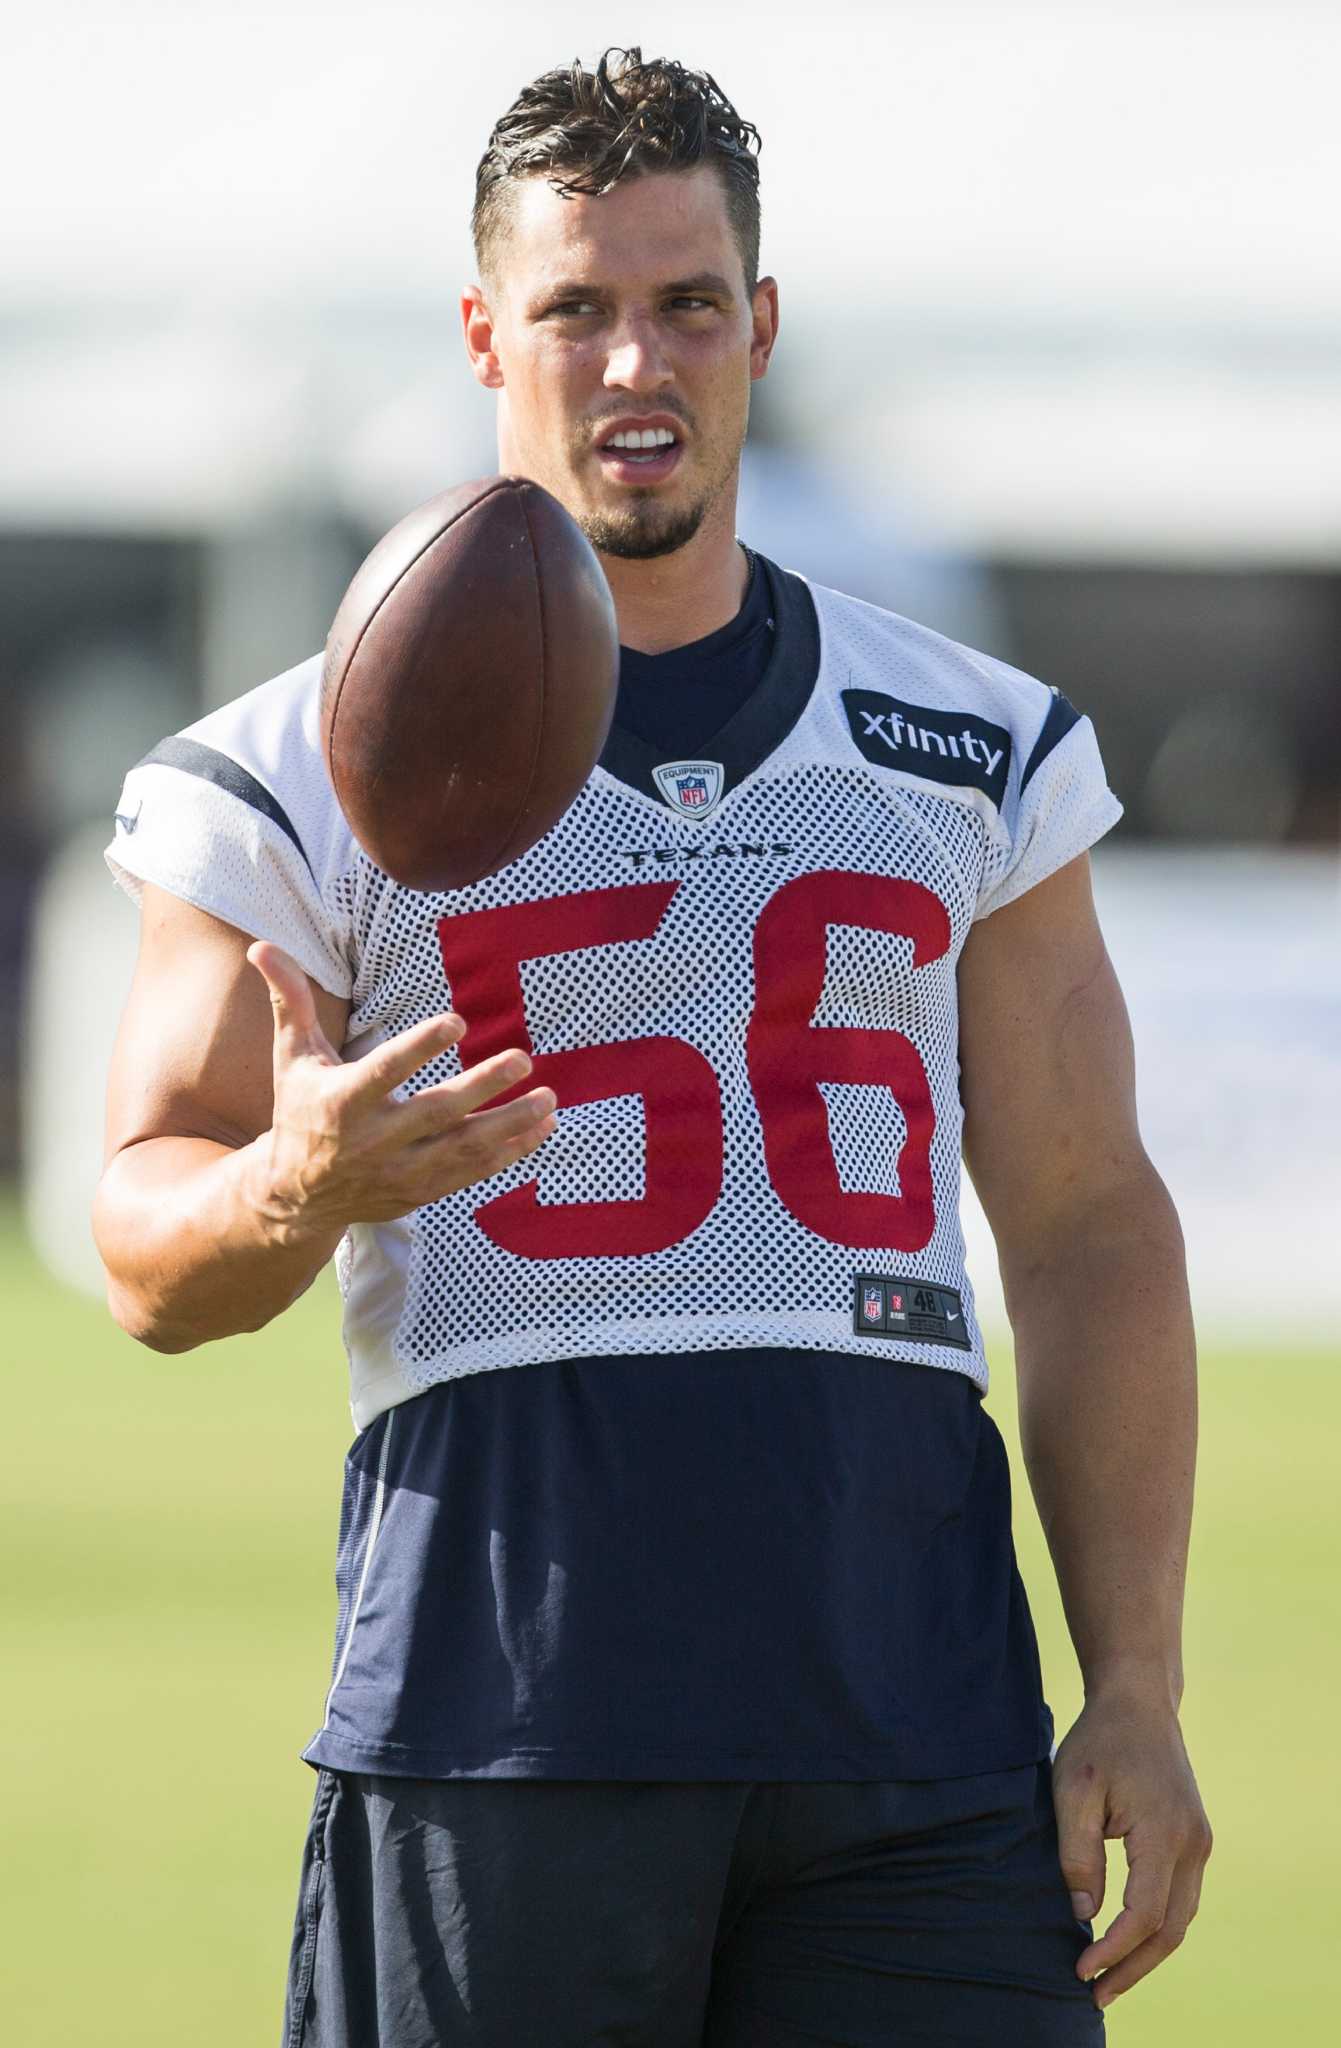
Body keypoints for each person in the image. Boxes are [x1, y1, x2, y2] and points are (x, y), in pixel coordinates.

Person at [95, 48, 1211, 2048]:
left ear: (758, 324)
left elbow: (1083, 1219)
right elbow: (137, 1242)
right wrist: (298, 1178)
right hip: (495, 1718)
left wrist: (1129, 1683)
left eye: (687, 303)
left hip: (916, 1732)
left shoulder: (966, 740)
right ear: (480, 335)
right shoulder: (277, 776)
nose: (637, 362)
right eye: (576, 307)